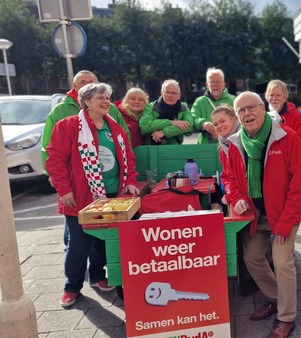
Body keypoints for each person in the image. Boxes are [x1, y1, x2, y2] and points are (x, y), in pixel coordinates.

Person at [45, 83, 139, 308]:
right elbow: (54, 159)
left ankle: (98, 275)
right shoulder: (67, 126)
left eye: (107, 97)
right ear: (86, 101)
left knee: (103, 243)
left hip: (112, 195)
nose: (106, 101)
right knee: (78, 245)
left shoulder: (114, 127)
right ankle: (72, 286)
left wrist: (131, 182)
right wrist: (64, 189)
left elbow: (128, 159)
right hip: (80, 197)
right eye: (100, 98)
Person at [226, 91, 301, 338]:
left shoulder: (287, 137)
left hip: (284, 213)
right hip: (256, 214)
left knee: (283, 262)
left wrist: (285, 223)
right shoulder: (236, 142)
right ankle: (277, 298)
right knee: (252, 258)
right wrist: (238, 197)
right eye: (241, 110)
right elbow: (230, 178)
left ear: (263, 109)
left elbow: (299, 183)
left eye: (252, 107)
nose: (247, 113)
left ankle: (286, 317)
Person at [42, 70, 130, 174]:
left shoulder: (111, 108)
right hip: (75, 173)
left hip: (111, 170)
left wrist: (127, 167)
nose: (87, 85)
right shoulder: (60, 110)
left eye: (91, 82)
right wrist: (53, 174)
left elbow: (125, 138)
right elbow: (49, 145)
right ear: (74, 85)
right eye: (82, 82)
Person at [139, 79, 194, 145]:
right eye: (167, 92)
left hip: (175, 149)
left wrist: (164, 132)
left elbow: (190, 126)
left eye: (174, 93)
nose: (170, 95)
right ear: (161, 93)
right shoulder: (150, 107)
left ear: (179, 96)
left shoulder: (184, 107)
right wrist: (171, 122)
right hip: (152, 150)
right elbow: (144, 126)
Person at [191, 68, 236, 144]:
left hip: (230, 144)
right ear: (207, 85)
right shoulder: (199, 102)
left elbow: (239, 120)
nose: (215, 84)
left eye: (218, 81)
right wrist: (203, 123)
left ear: (224, 84)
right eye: (212, 82)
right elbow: (193, 118)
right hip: (205, 145)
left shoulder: (234, 100)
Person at [265, 80, 301, 151]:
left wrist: (281, 135)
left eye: (278, 95)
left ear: (285, 98)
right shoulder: (259, 116)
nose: (274, 98)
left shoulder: (298, 118)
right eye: (271, 95)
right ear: (267, 97)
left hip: (286, 160)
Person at [211, 104, 241, 208]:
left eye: (222, 121)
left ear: (234, 118)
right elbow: (227, 176)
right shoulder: (223, 150)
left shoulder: (246, 140)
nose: (219, 126)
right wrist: (230, 193)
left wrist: (231, 196)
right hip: (237, 196)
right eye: (215, 124)